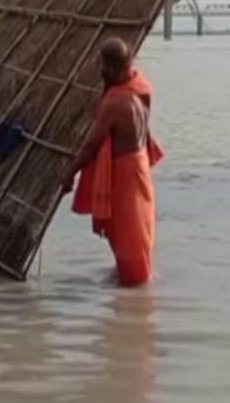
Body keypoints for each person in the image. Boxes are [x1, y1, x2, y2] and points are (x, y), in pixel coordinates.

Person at [61, 37, 163, 286]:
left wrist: (69, 173)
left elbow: (92, 145)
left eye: (103, 66)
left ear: (111, 67)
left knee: (127, 240)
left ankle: (133, 300)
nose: (100, 71)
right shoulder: (142, 87)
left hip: (125, 176)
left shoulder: (115, 102)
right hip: (140, 168)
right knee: (139, 238)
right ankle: (136, 294)